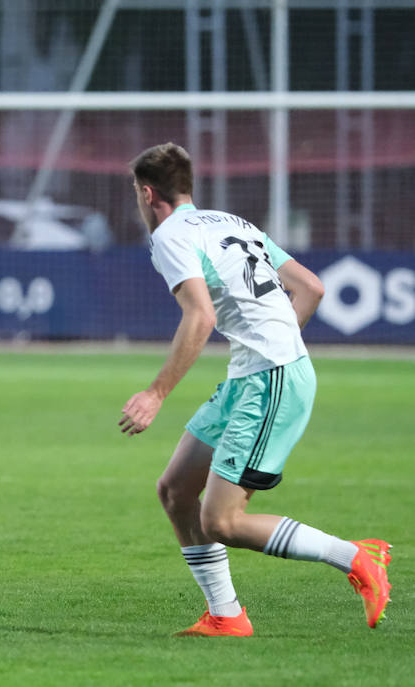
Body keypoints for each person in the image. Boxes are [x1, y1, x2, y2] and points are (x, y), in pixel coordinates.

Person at [119, 142, 391, 637]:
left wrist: (156, 393)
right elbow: (311, 287)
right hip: (255, 374)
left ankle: (355, 556)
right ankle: (226, 615)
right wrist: (276, 344)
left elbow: (200, 316)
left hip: (270, 379)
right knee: (176, 490)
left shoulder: (169, 235)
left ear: (147, 193)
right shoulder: (232, 222)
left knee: (222, 521)